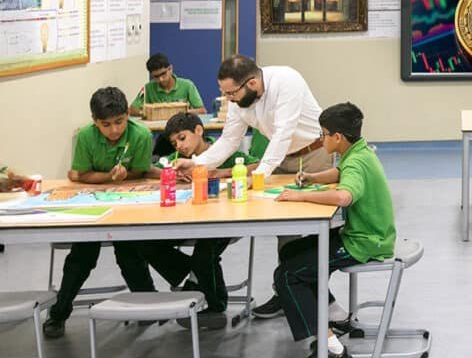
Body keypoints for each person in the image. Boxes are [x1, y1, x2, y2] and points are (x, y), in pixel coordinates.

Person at [171, 55, 333, 318]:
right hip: (280, 159)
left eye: (231, 93)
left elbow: (284, 133)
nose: (229, 99)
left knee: (310, 229)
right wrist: (197, 163)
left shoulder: (286, 81)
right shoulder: (238, 98)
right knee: (286, 230)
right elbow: (229, 140)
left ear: (253, 83)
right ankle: (288, 294)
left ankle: (318, 302)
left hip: (313, 155)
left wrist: (259, 174)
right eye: (224, 93)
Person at [272, 102, 395, 358]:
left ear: (337, 137)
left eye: (323, 134)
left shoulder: (356, 163)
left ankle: (332, 351)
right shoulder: (358, 152)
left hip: (363, 242)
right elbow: (340, 174)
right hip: (363, 234)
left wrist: (301, 195)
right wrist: (314, 178)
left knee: (287, 276)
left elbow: (344, 195)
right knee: (291, 253)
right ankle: (331, 313)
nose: (321, 139)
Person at [43, 87, 157, 339]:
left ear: (128, 114)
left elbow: (141, 171)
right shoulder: (86, 136)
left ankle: (150, 306)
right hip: (91, 205)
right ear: (95, 122)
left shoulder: (141, 135)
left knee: (130, 252)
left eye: (119, 122)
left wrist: (126, 176)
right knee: (81, 257)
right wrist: (108, 177)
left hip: (127, 204)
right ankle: (59, 312)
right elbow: (79, 175)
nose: (114, 130)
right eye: (106, 125)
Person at [138, 112, 260, 329]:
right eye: (174, 143)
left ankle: (215, 305)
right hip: (188, 219)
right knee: (144, 242)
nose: (179, 146)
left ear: (199, 131)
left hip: (225, 219)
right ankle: (192, 278)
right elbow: (159, 172)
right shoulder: (179, 162)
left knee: (205, 253)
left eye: (182, 138)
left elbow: (257, 166)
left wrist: (222, 172)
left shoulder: (224, 151)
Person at [129, 53, 206, 117]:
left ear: (170, 69)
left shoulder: (188, 85)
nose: (161, 79)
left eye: (163, 74)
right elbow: (131, 110)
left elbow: (202, 110)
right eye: (156, 76)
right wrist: (145, 113)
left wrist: (182, 113)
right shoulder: (148, 88)